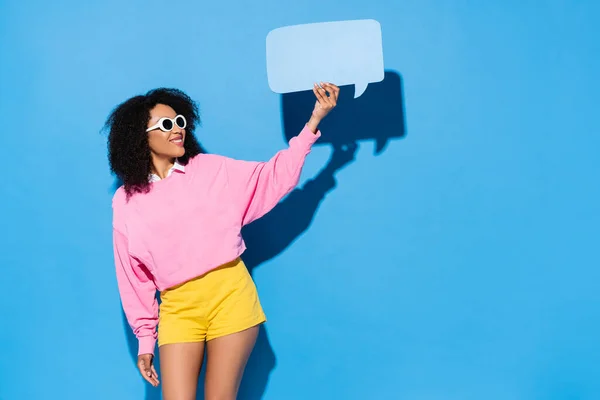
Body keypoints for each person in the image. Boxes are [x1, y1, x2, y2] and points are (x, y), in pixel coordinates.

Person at [104, 82, 339, 400]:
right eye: (167, 124)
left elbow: (273, 176)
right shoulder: (126, 201)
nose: (178, 130)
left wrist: (314, 122)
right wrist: (146, 340)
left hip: (231, 297)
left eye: (181, 121)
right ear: (139, 136)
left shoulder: (211, 170)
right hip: (178, 308)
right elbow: (132, 275)